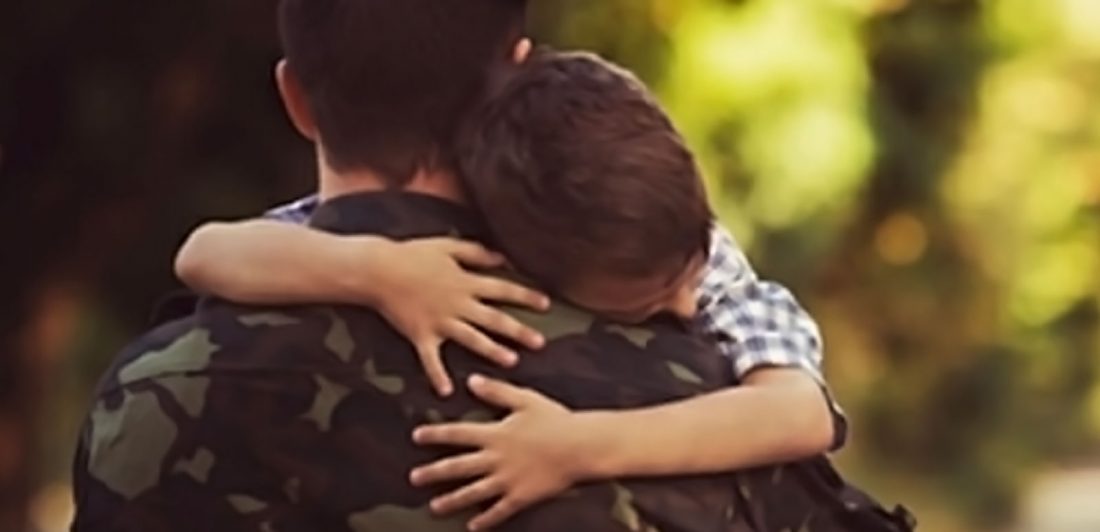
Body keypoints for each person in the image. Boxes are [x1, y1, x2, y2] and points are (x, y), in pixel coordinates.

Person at [72, 1, 913, 531]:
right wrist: (379, 274)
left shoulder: (152, 393)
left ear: (293, 97)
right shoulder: (699, 390)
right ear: (514, 74)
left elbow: (204, 254)